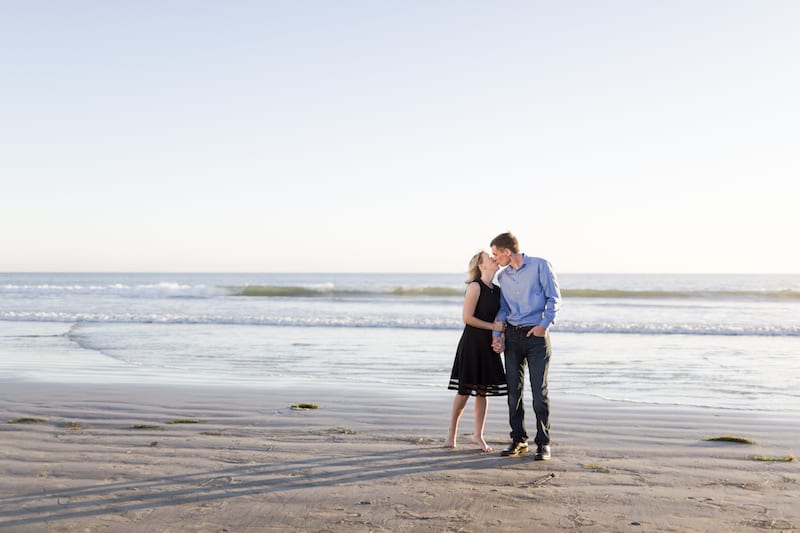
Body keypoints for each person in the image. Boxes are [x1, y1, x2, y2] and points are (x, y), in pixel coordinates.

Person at [490, 232, 561, 460]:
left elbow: (554, 298)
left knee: (539, 392)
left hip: (536, 337)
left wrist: (543, 325)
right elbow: (503, 309)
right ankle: (518, 440)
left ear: (507, 252)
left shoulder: (541, 266)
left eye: (495, 254)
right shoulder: (502, 276)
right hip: (512, 337)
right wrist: (497, 335)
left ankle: (543, 443)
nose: (494, 259)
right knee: (514, 392)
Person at [444, 250, 508, 452]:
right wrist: (493, 329)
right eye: (490, 257)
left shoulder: (498, 291)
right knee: (464, 391)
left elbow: (500, 319)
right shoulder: (474, 287)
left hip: (488, 345)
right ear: (481, 266)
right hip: (472, 343)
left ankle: (477, 436)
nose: (494, 258)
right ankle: (451, 433)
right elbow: (467, 318)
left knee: (483, 392)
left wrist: (500, 339)